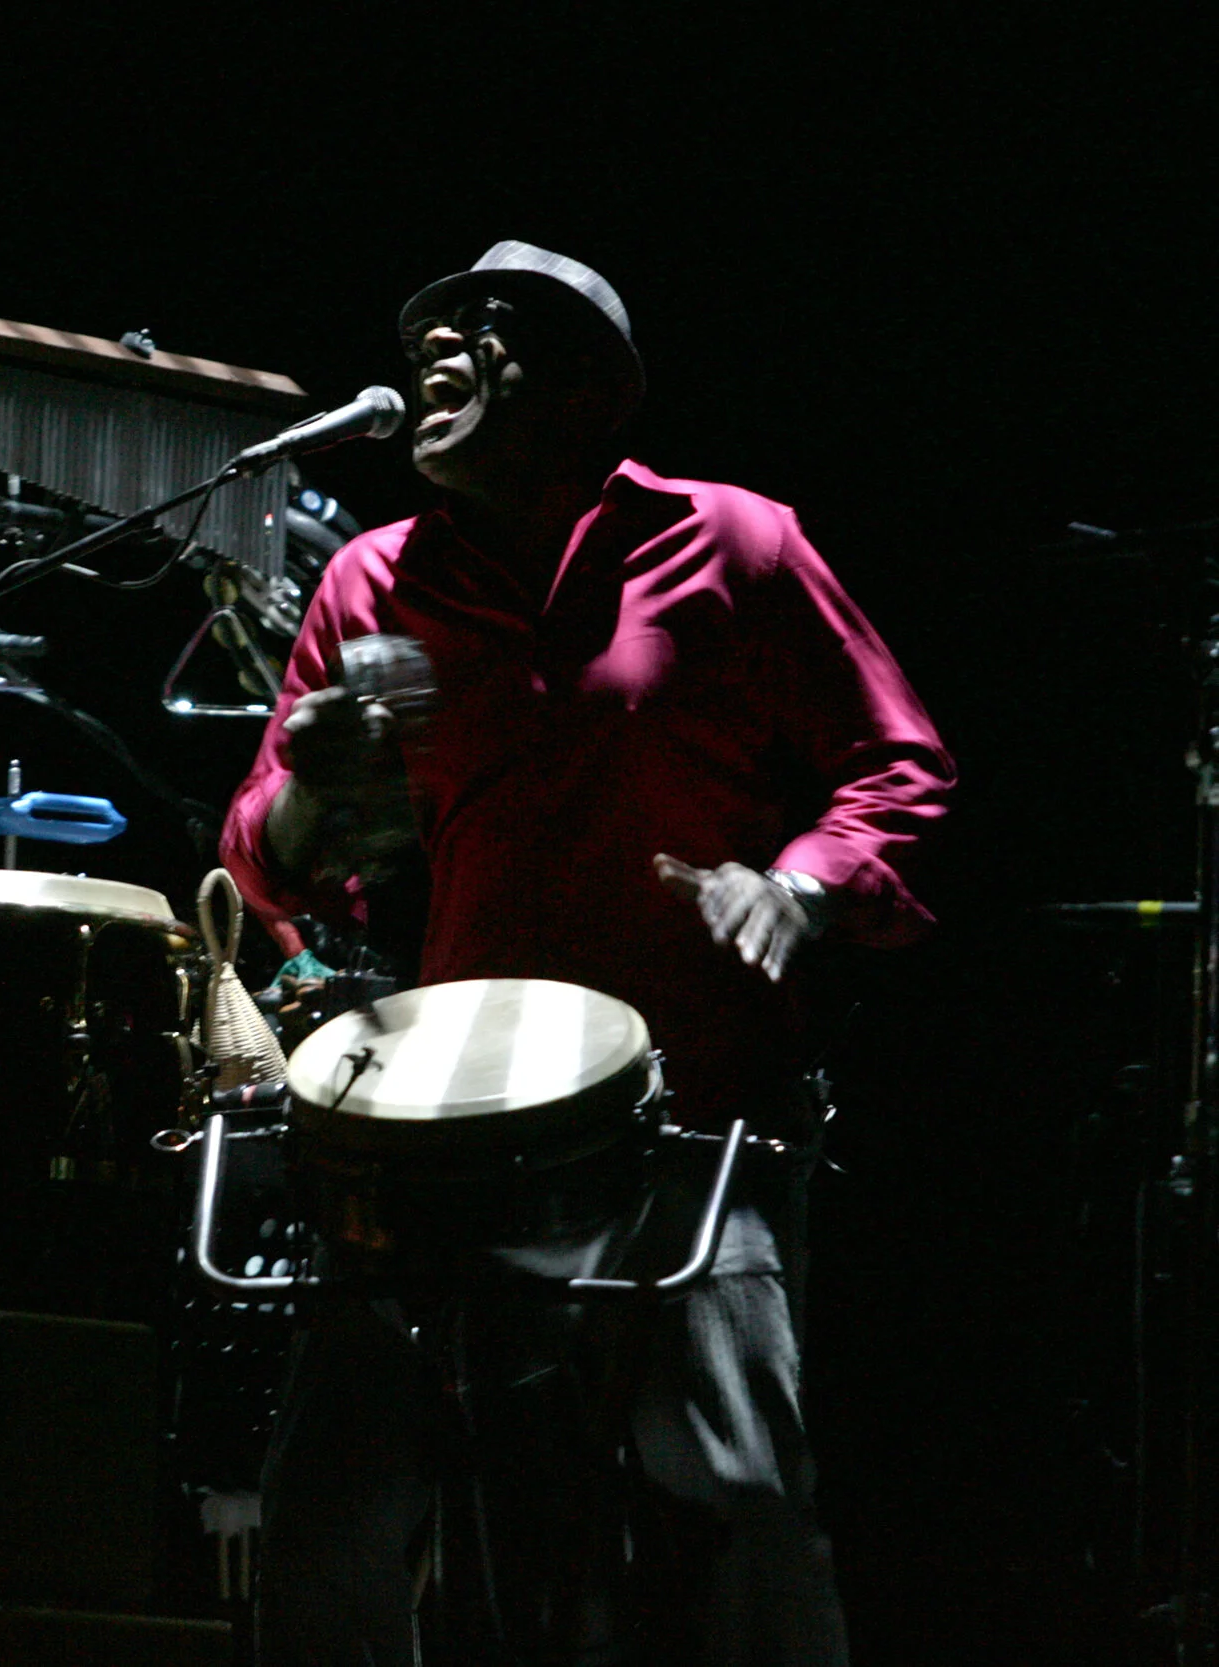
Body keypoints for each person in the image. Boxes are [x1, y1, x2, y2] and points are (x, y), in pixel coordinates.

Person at [221, 242, 954, 1664]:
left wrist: (799, 885)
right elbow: (265, 849)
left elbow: (899, 765)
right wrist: (315, 788)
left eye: (480, 330)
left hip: (695, 1107)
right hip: (442, 1130)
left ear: (582, 390)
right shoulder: (374, 581)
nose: (436, 345)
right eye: (426, 327)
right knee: (335, 1508)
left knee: (737, 1495)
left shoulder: (736, 541)